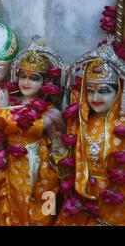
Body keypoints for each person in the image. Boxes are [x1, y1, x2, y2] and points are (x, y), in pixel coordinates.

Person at [0, 40, 66, 225]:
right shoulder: (12, 102)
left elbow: (30, 126)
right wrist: (3, 110)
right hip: (10, 166)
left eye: (34, 78)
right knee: (7, 203)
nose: (26, 82)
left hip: (37, 166)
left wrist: (3, 111)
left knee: (38, 209)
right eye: (23, 76)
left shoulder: (51, 111)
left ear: (45, 82)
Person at [55, 41, 124, 226]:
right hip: (81, 197)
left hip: (116, 200)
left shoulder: (122, 126)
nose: (95, 99)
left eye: (103, 91)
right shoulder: (80, 120)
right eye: (90, 91)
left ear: (118, 93)